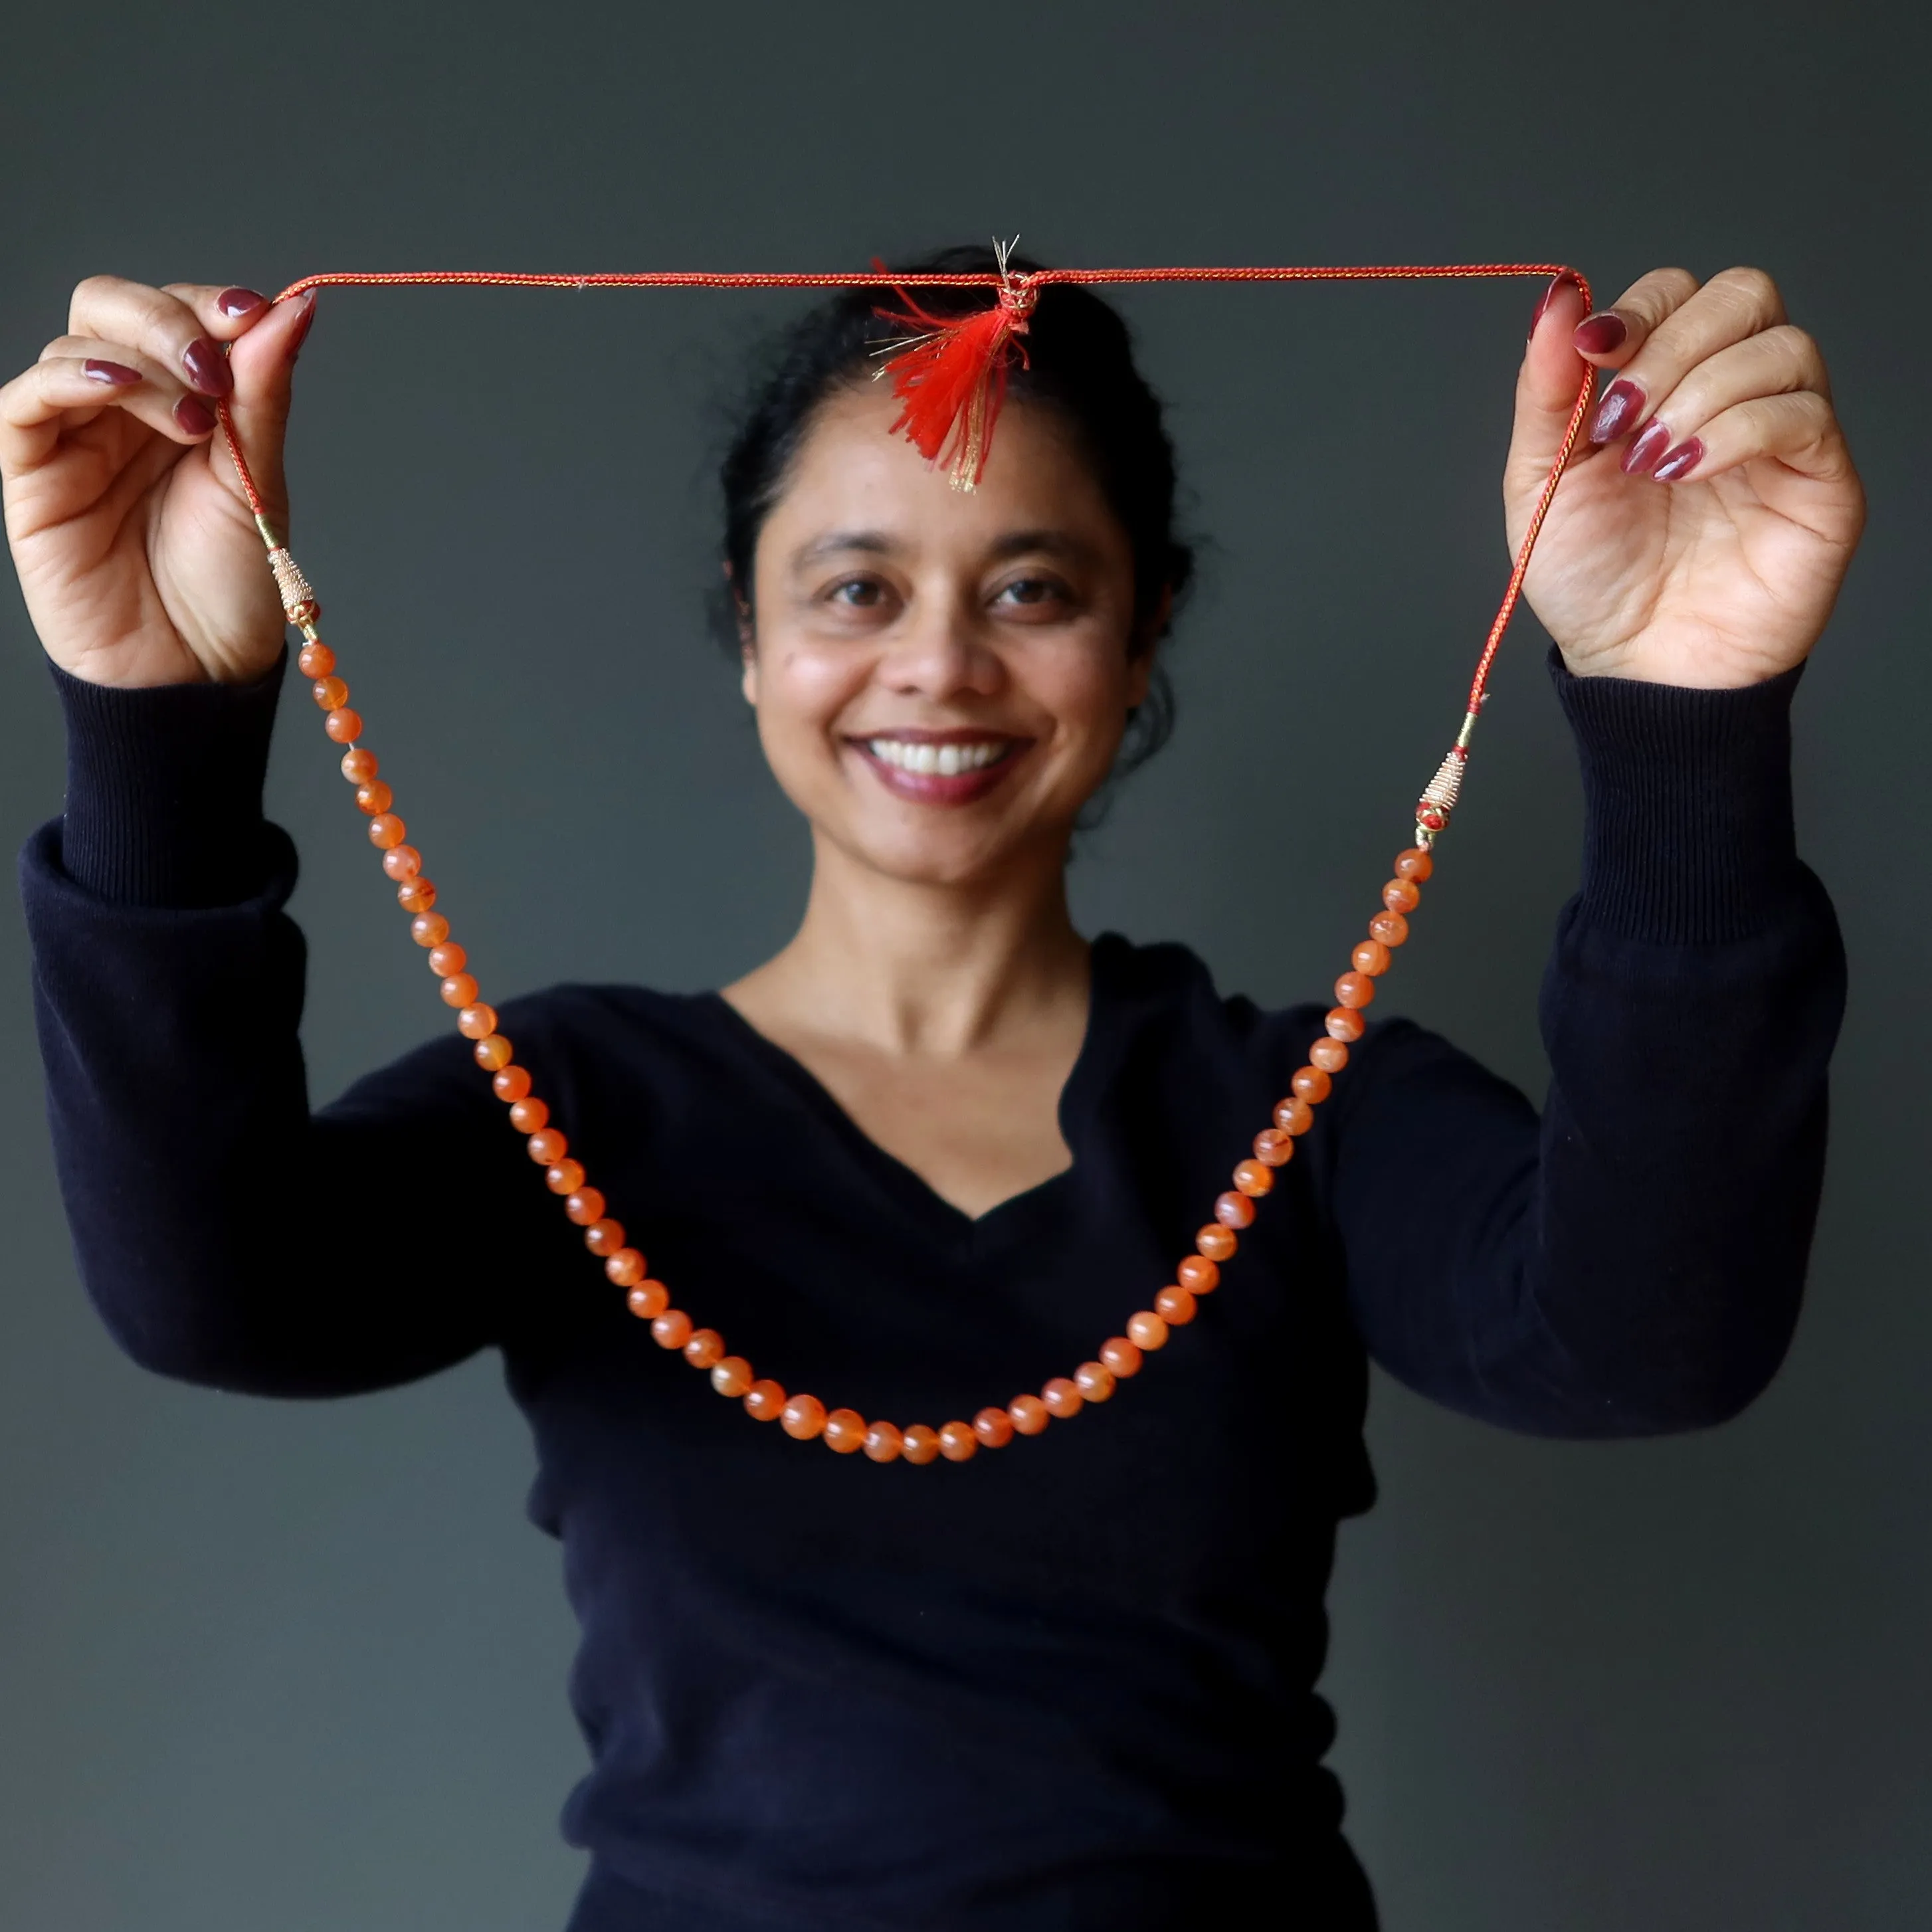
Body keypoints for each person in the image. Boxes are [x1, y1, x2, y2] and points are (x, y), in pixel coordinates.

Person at [3, 244, 1858, 1929]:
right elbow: (213, 1288)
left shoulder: (1303, 1112)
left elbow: (1649, 1336)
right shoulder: (575, 1104)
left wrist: (1678, 707)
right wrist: (154, 722)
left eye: (1032, 587)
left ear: (1139, 643)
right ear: (747, 631)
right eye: (854, 585)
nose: (937, 667)